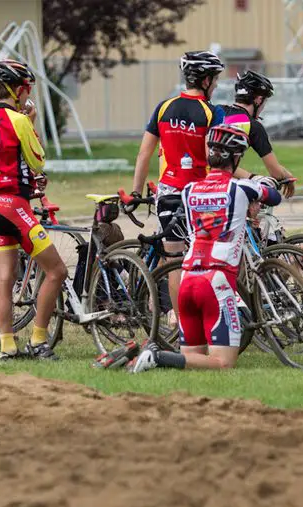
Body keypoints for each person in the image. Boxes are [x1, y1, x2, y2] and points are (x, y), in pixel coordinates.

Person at [128, 124, 282, 372]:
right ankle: (157, 358)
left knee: (192, 364)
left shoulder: (189, 190)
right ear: (235, 157)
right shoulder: (242, 188)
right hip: (217, 283)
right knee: (222, 364)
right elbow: (274, 196)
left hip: (188, 279)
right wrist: (262, 183)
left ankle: (156, 357)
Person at [0, 59, 68, 361]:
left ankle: (7, 346)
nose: (28, 95)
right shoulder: (19, 121)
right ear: (15, 90)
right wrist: (32, 123)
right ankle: (39, 340)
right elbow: (38, 160)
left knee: (4, 277)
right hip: (14, 205)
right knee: (57, 270)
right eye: (26, 89)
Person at [131, 51, 227, 319]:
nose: (217, 84)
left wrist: (137, 192)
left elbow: (144, 154)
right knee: (208, 260)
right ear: (206, 80)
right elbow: (215, 156)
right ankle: (209, 320)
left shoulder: (164, 107)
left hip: (168, 194)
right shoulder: (211, 112)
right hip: (201, 194)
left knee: (175, 264)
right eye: (215, 79)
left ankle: (183, 327)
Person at [220, 70, 297, 198]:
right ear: (258, 100)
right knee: (271, 198)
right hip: (224, 186)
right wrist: (287, 175)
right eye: (264, 102)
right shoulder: (253, 126)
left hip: (198, 179)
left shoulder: (217, 111)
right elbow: (275, 172)